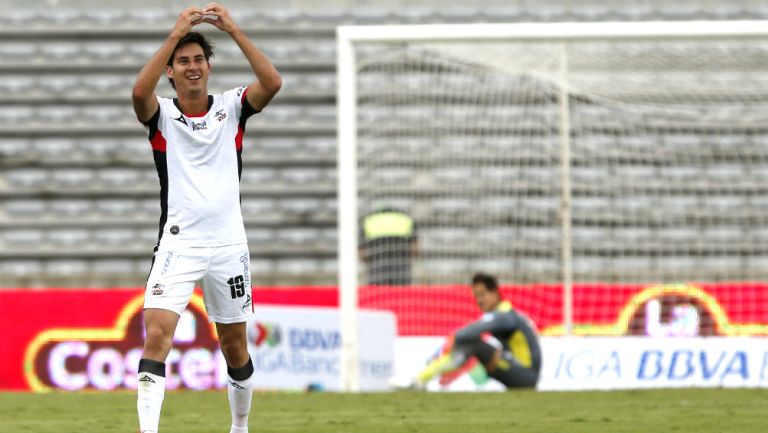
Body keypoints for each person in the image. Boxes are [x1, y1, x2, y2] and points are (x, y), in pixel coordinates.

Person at [131, 4, 281, 433]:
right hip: (179, 244)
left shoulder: (233, 107)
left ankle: (239, 427)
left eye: (199, 60)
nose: (192, 67)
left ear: (209, 68)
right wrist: (176, 32)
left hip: (229, 245)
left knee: (234, 345)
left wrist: (232, 28)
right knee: (157, 335)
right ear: (171, 72)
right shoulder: (160, 114)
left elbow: (273, 82)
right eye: (183, 61)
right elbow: (138, 93)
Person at [399, 272, 541, 390]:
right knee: (470, 343)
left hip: (526, 376)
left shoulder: (504, 315)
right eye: (476, 296)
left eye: (482, 294)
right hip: (522, 372)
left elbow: (468, 332)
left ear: (495, 293)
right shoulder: (508, 314)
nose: (479, 300)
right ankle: (422, 379)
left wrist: (455, 338)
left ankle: (420, 379)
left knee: (472, 343)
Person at [358, 205, 418, 285]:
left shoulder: (368, 221)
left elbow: (362, 252)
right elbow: (414, 249)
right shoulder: (407, 220)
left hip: (376, 269)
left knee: (377, 295)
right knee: (400, 295)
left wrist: (371, 262)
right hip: (401, 269)